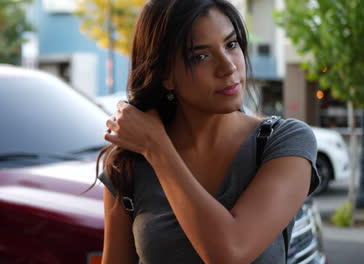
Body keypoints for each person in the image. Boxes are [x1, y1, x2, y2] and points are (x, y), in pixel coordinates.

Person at [97, 0, 320, 263]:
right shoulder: (130, 164)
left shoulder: (284, 143)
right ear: (166, 74)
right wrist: (152, 147)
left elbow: (230, 252)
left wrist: (157, 148)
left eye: (231, 44)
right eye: (200, 56)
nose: (228, 67)